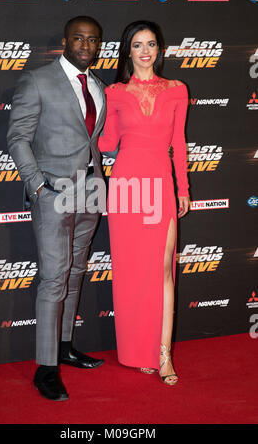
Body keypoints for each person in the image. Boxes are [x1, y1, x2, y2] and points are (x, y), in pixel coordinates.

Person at [7, 16, 106, 401]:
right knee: (54, 277)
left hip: (90, 194)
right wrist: (36, 184)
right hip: (53, 193)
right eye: (78, 38)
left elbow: (93, 142)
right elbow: (17, 138)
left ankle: (64, 347)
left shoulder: (98, 86)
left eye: (93, 40)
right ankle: (45, 368)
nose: (85, 45)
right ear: (65, 41)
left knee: (76, 271)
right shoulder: (37, 80)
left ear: (100, 45)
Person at [98, 20, 190, 385]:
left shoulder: (177, 90)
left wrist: (182, 188)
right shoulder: (115, 93)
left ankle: (163, 354)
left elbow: (179, 144)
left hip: (160, 187)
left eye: (151, 43)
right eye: (138, 44)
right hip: (126, 188)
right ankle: (136, 350)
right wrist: (87, 111)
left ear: (160, 49)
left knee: (163, 272)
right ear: (128, 51)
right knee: (132, 272)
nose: (146, 51)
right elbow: (107, 144)